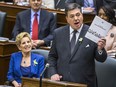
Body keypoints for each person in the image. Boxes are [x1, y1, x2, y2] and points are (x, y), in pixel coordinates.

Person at [48, 3, 107, 87]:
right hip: (63, 82)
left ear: (82, 15)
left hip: (85, 83)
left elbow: (101, 59)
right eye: (72, 16)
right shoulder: (58, 33)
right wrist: (53, 73)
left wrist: (100, 49)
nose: (76, 18)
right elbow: (52, 57)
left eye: (78, 15)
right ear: (67, 19)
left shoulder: (92, 32)